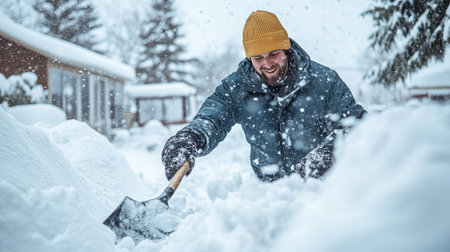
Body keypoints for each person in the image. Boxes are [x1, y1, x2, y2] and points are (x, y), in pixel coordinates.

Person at [161, 10, 366, 182]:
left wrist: (327, 155)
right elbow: (212, 117)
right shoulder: (237, 88)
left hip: (323, 193)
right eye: (258, 58)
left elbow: (354, 124)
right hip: (269, 202)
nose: (267, 64)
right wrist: (190, 138)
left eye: (273, 54)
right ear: (249, 58)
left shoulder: (324, 81)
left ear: (285, 48)